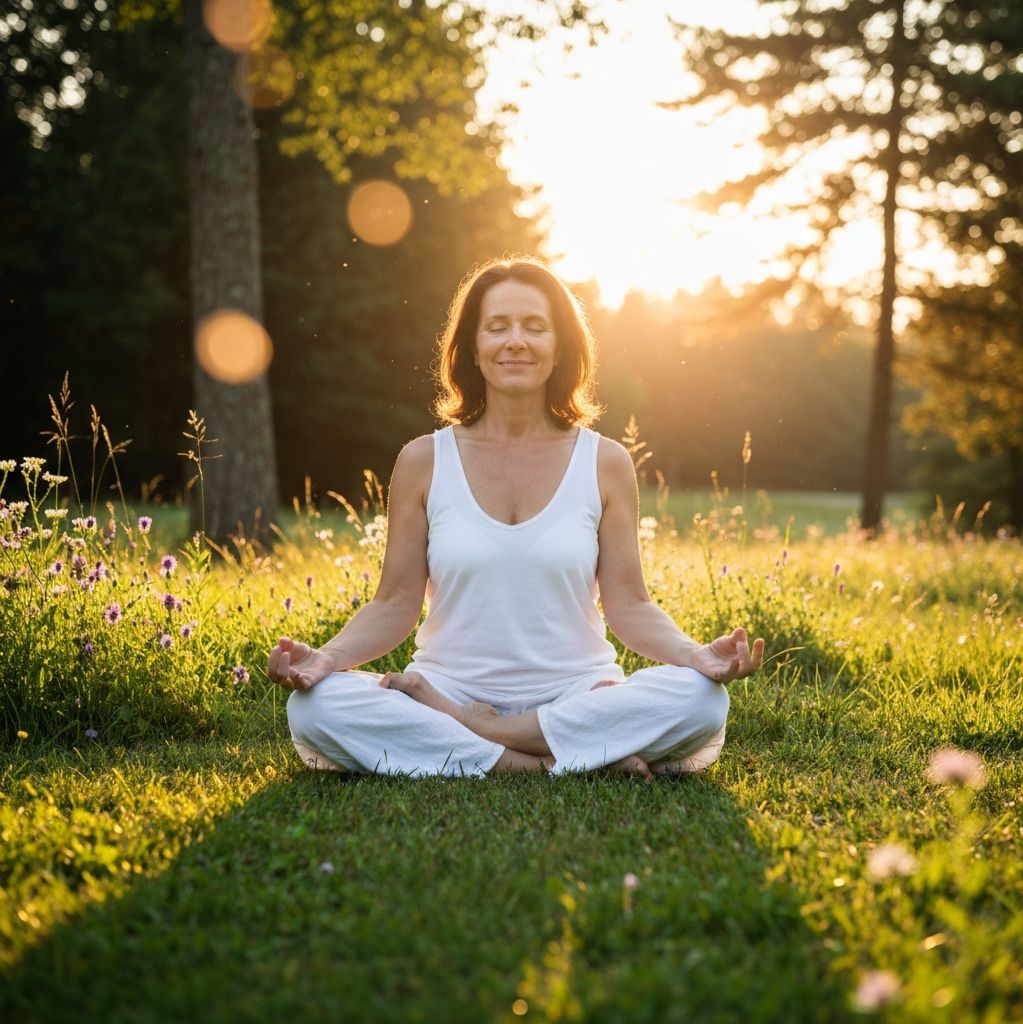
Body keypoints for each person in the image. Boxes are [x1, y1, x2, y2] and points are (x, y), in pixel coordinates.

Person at [268, 256, 765, 779]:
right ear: (473, 349)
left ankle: (477, 734)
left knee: (701, 701)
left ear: (560, 348)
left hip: (572, 690)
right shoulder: (423, 460)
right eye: (497, 327)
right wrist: (327, 657)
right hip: (449, 682)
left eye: (535, 327)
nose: (516, 341)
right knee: (314, 707)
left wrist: (695, 657)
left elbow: (630, 605)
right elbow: (393, 604)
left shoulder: (605, 462)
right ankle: (548, 761)